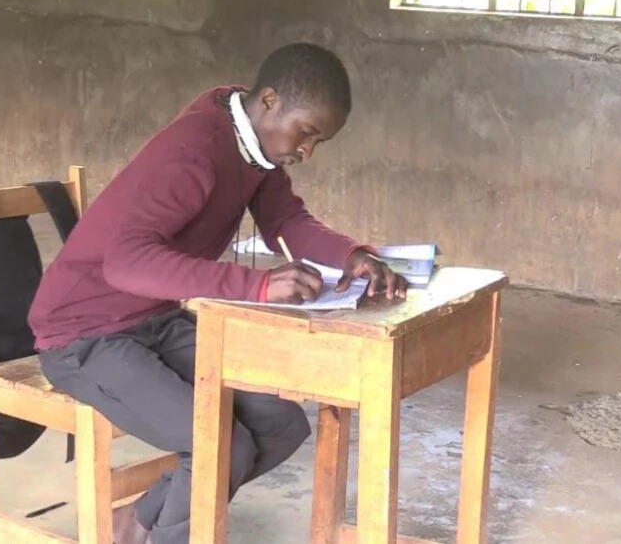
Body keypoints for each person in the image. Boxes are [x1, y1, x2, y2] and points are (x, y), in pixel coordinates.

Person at [29, 42, 408, 544]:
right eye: (307, 133)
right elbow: (125, 261)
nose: (307, 151)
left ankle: (139, 522)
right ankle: (159, 533)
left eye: (321, 142)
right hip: (82, 334)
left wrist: (352, 255)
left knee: (281, 425)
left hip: (154, 320)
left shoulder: (254, 147)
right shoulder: (195, 150)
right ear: (270, 101)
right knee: (218, 443)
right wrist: (257, 285)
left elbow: (285, 220)